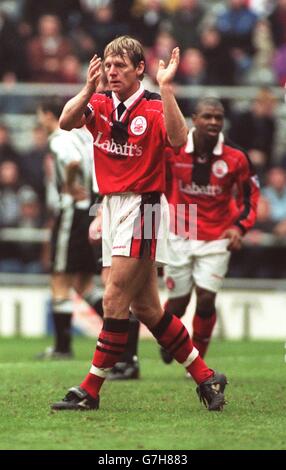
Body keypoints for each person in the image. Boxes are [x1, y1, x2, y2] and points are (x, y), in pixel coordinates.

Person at [51, 36, 228, 412]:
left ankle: (90, 388)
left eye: (121, 67)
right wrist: (87, 87)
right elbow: (66, 122)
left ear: (139, 69)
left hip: (145, 206)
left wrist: (165, 88)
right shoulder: (98, 101)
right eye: (109, 66)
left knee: (114, 297)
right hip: (112, 205)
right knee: (148, 308)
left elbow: (180, 140)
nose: (113, 73)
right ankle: (205, 376)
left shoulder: (152, 105)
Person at [160, 97, 259, 365]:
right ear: (194, 119)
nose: (213, 122)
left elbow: (250, 198)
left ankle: (197, 360)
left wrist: (239, 227)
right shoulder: (174, 149)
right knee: (177, 304)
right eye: (207, 116)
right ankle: (169, 338)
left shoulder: (236, 156)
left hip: (217, 236)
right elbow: (157, 188)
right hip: (178, 233)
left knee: (205, 299)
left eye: (218, 117)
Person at [36, 97, 105, 359]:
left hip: (71, 213)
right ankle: (124, 326)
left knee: (60, 277)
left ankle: (62, 347)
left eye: (41, 114)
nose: (40, 120)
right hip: (86, 213)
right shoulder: (81, 136)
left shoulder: (59, 138)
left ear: (47, 114)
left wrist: (71, 185)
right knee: (84, 284)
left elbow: (73, 162)